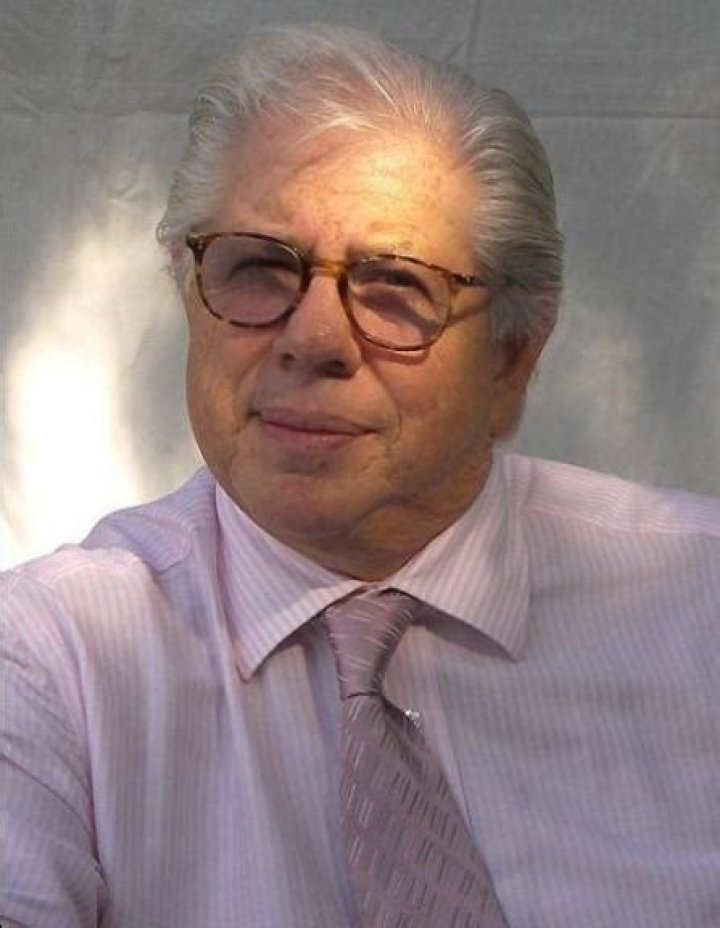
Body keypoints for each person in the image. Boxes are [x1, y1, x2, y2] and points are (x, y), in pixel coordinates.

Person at [1, 23, 718, 928]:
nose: (312, 338)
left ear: (513, 357)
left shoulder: (697, 604)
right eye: (258, 267)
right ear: (190, 297)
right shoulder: (48, 664)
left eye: (395, 286)